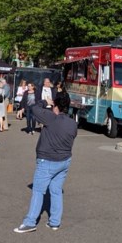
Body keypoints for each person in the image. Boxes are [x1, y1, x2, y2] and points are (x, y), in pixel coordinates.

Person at [14, 92, 78, 233]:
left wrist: (44, 101)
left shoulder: (51, 118)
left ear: (55, 105)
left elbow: (34, 108)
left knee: (38, 191)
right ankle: (55, 221)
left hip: (48, 160)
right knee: (56, 191)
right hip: (64, 160)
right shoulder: (73, 124)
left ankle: (30, 222)